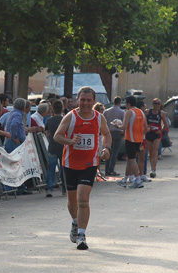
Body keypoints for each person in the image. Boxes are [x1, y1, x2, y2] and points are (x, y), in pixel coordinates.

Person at [54, 86, 112, 250]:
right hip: (70, 163)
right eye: (83, 100)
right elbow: (57, 136)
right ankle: (75, 221)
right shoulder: (70, 117)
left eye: (89, 100)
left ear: (94, 101)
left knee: (83, 199)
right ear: (77, 100)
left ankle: (81, 235)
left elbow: (107, 134)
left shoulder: (99, 118)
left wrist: (106, 149)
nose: (85, 103)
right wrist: (70, 141)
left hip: (90, 164)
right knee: (72, 202)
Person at [118, 95, 148, 188]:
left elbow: (124, 126)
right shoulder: (141, 112)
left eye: (126, 103)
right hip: (139, 139)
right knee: (131, 159)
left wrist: (117, 125)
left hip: (130, 138)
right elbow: (146, 128)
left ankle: (138, 179)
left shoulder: (129, 112)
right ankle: (125, 178)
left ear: (128, 104)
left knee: (132, 159)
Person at [44, 99, 66, 197]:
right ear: (62, 108)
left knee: (51, 168)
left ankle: (49, 188)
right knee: (64, 169)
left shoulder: (49, 120)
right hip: (63, 147)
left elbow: (47, 133)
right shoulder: (65, 119)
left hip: (52, 146)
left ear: (52, 109)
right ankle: (65, 189)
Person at [145, 98, 169, 178]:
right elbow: (144, 123)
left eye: (158, 103)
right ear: (152, 104)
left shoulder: (162, 113)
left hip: (157, 134)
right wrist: (147, 127)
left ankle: (153, 170)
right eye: (155, 103)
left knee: (155, 152)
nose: (157, 105)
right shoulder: (148, 112)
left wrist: (161, 130)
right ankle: (151, 168)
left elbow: (166, 125)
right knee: (150, 153)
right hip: (149, 134)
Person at [103, 96, 125, 176]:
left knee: (108, 150)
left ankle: (106, 169)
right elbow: (124, 123)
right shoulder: (122, 112)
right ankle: (111, 169)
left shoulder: (106, 111)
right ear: (120, 103)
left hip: (108, 132)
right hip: (117, 133)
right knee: (115, 152)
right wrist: (123, 132)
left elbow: (103, 122)